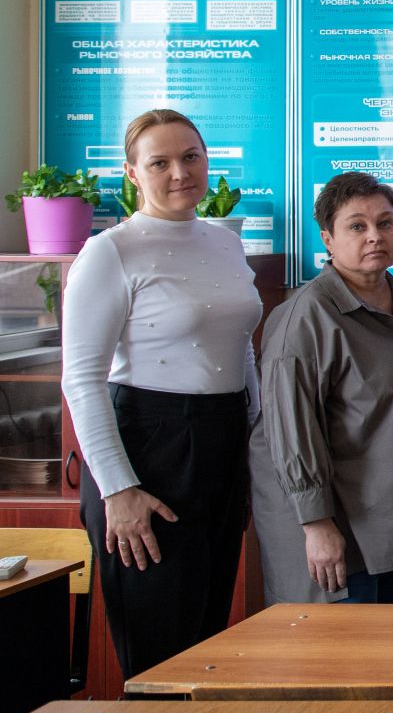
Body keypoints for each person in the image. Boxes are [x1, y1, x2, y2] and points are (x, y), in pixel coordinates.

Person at [62, 108, 261, 676]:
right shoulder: (110, 251)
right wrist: (118, 490)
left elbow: (240, 345)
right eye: (160, 162)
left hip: (221, 442)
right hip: (148, 449)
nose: (180, 172)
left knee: (205, 646)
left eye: (191, 157)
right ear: (132, 173)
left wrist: (252, 434)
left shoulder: (224, 241)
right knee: (159, 656)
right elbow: (82, 379)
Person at [250, 172, 393, 604]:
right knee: (335, 644)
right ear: (328, 240)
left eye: (385, 223)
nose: (375, 236)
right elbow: (290, 432)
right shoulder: (305, 317)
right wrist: (316, 524)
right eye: (357, 226)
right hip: (328, 524)